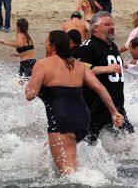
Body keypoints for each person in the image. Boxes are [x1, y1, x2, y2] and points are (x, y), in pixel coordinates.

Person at [25, 30, 123, 175]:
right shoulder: (79, 65)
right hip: (83, 122)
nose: (45, 44)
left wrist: (29, 84)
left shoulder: (42, 64)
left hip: (61, 121)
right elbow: (100, 88)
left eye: (46, 42)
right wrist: (114, 112)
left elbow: (30, 94)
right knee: (47, 151)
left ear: (52, 46)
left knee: (68, 176)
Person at [74, 11, 134, 145]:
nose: (112, 27)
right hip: (95, 105)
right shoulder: (88, 46)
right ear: (95, 28)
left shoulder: (112, 46)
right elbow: (77, 69)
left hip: (116, 105)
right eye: (107, 24)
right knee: (86, 142)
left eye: (113, 24)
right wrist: (105, 69)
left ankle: (115, 163)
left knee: (130, 138)